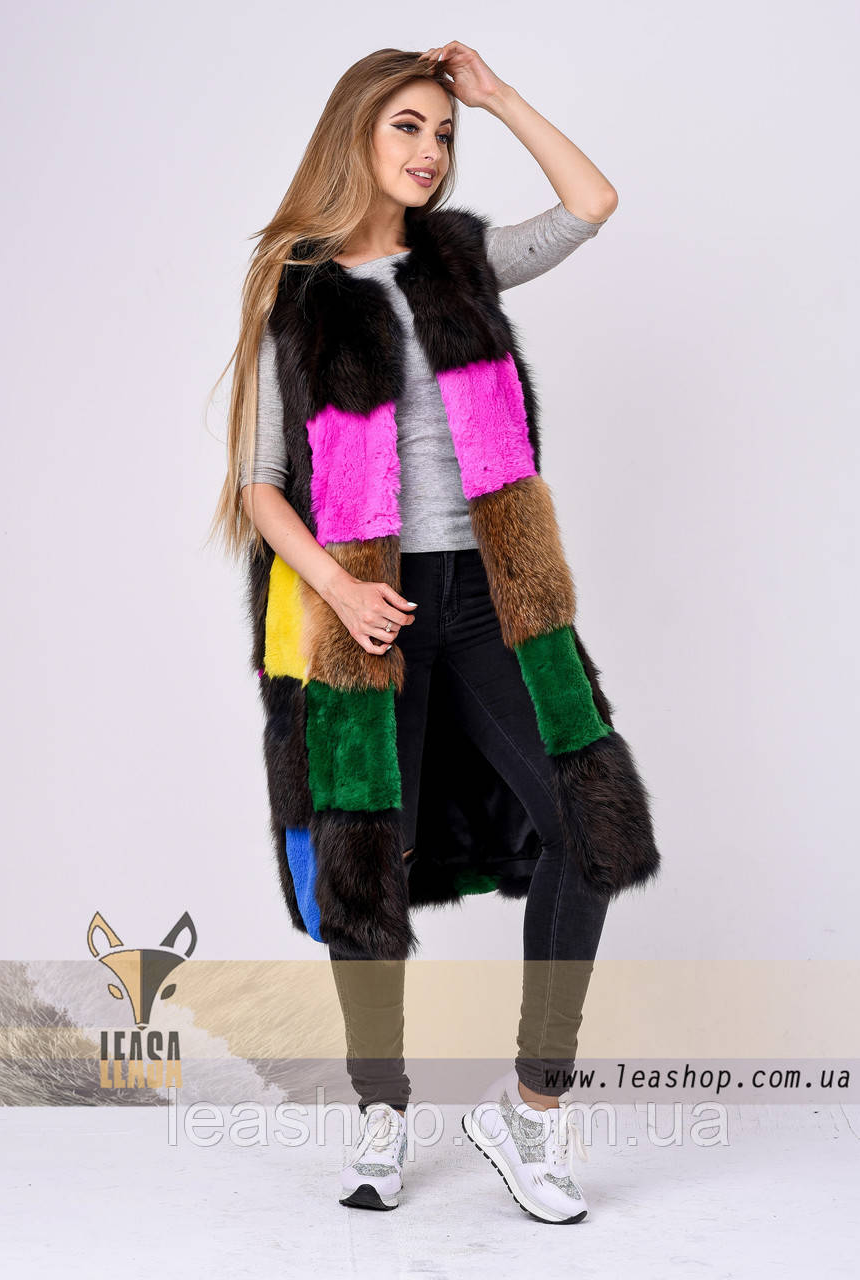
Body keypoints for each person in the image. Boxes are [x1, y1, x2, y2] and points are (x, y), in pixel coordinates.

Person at [208, 42, 660, 1224]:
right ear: (355, 133)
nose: (428, 150)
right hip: (366, 607)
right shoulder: (295, 288)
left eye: (441, 132)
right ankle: (380, 1109)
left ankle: (531, 1107)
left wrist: (497, 97)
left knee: (589, 823)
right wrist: (337, 587)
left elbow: (590, 202)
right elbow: (258, 483)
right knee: (371, 858)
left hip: (498, 595)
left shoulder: (461, 261)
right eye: (406, 126)